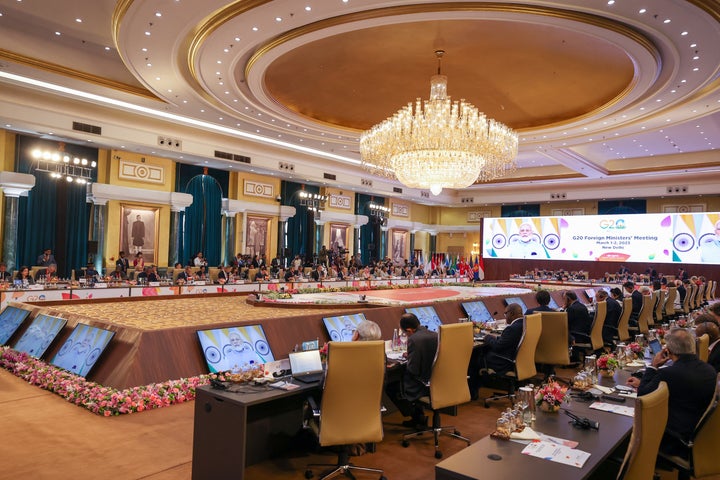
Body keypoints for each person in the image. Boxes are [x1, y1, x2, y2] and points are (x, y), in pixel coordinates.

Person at [626, 328, 716, 458]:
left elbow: (643, 396)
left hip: (676, 438)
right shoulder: (709, 370)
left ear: (668, 350)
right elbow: (680, 387)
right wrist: (646, 383)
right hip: (701, 434)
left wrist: (653, 366)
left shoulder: (669, 373)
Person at [385, 313, 438, 430]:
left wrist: (406, 361)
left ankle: (417, 417)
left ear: (409, 330)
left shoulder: (414, 339)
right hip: (436, 382)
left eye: (405, 333)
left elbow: (412, 370)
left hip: (422, 385)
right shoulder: (435, 335)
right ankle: (418, 417)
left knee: (391, 386)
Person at [468, 303, 525, 400]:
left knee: (474, 357)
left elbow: (498, 346)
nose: (505, 316)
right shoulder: (524, 324)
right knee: (482, 351)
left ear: (511, 314)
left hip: (504, 362)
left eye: (505, 314)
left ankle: (472, 393)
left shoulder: (512, 328)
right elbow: (506, 341)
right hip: (516, 359)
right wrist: (497, 337)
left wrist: (487, 337)